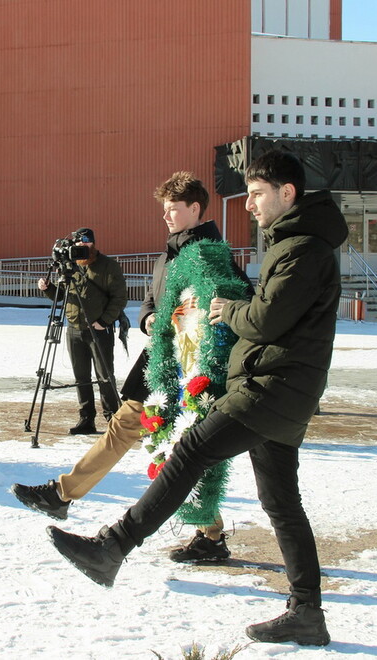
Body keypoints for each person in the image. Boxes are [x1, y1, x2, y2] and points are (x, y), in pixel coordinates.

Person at [46, 150, 348, 648]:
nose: (249, 204)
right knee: (281, 502)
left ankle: (113, 546)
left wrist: (229, 310)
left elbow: (267, 320)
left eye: (255, 194)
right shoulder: (293, 243)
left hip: (272, 387)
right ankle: (307, 613)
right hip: (279, 386)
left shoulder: (304, 249)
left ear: (287, 193)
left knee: (190, 452)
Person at [14, 172, 252, 562]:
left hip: (188, 368)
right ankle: (63, 494)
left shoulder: (212, 254)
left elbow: (239, 299)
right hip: (159, 362)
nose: (166, 217)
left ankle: (208, 534)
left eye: (173, 209)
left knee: (181, 448)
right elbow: (148, 303)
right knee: (140, 433)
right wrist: (148, 320)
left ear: (195, 208)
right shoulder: (168, 255)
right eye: (164, 210)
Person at [38, 228, 127, 434]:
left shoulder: (108, 266)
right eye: (78, 245)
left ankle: (113, 418)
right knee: (81, 376)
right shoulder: (70, 265)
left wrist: (104, 322)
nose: (82, 248)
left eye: (86, 244)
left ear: (93, 244)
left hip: (99, 329)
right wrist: (48, 289)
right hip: (74, 328)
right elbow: (61, 296)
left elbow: (120, 298)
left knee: (105, 375)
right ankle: (86, 419)